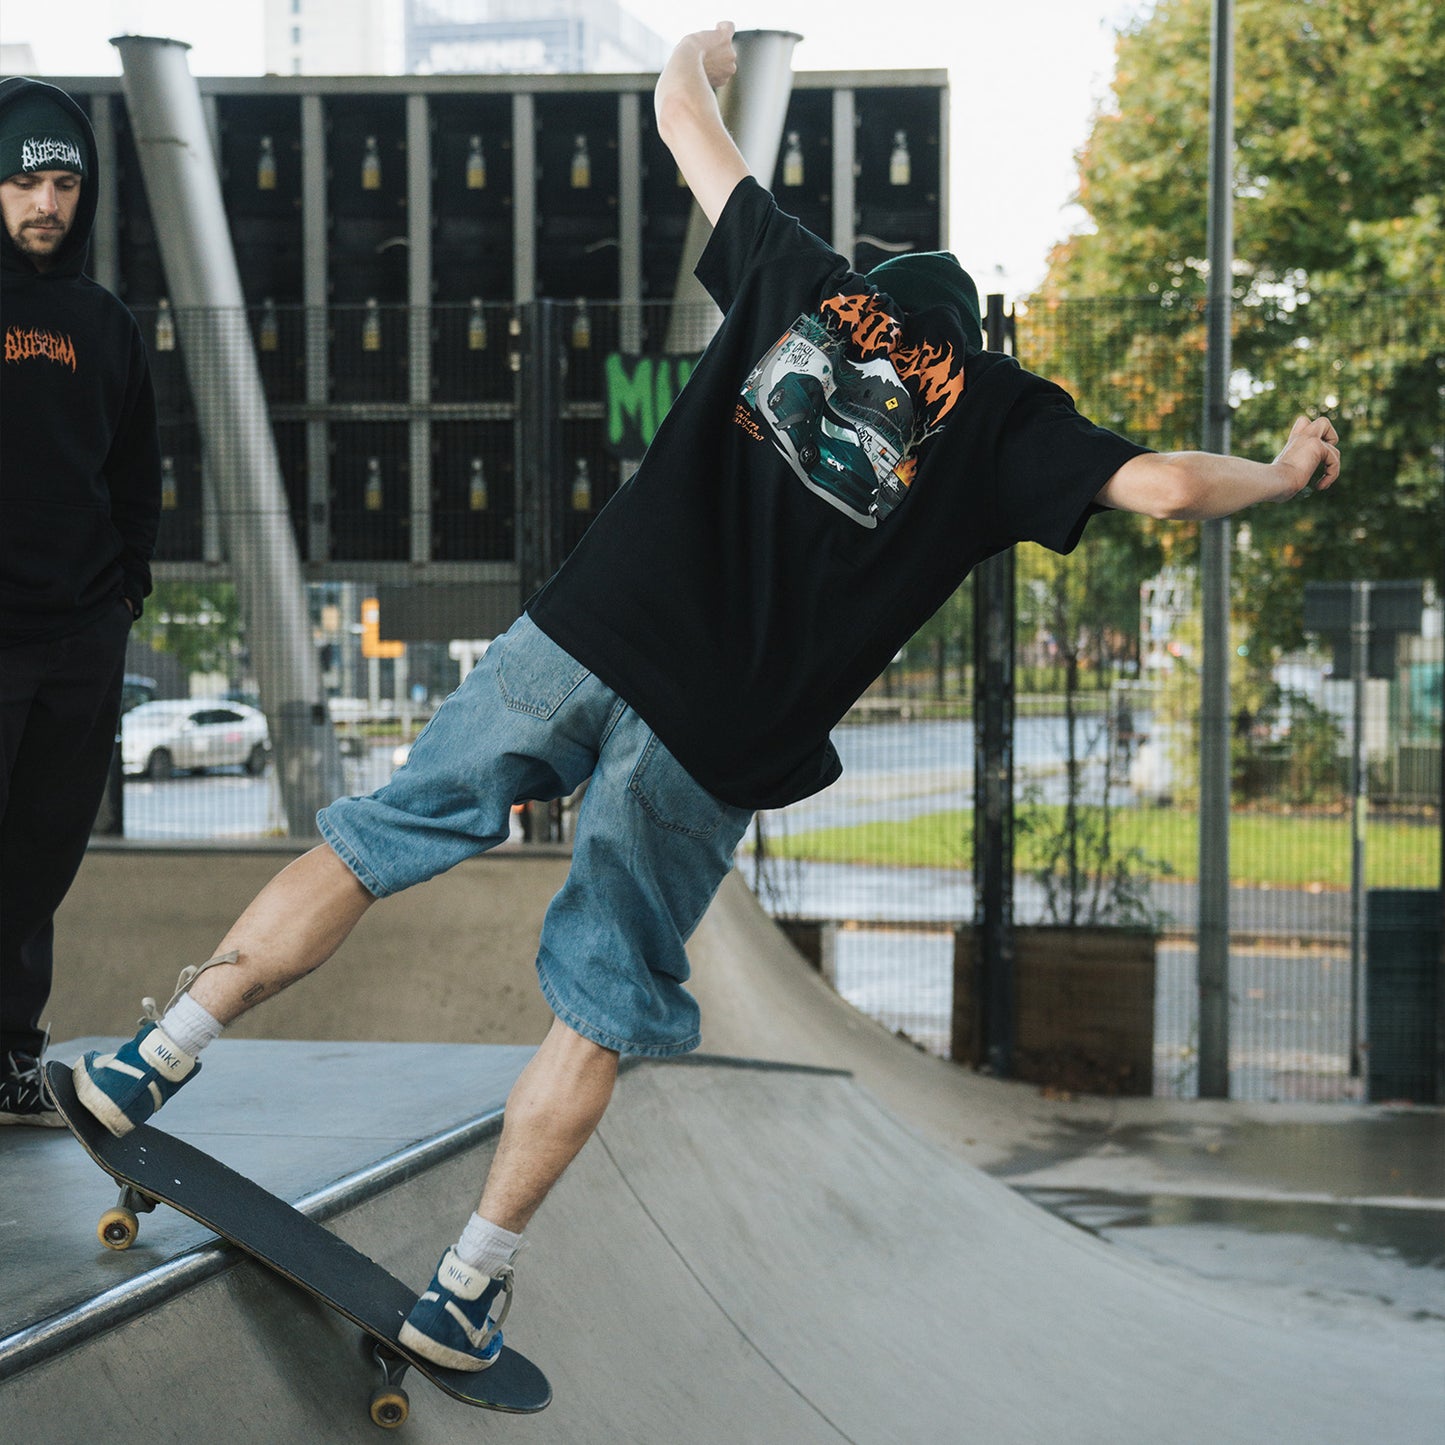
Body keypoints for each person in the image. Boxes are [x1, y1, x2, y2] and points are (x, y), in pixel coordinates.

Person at [68, 23, 1340, 1369]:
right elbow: (1165, 487)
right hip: (713, 735)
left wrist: (703, 52)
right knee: (599, 1003)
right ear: (959, 333)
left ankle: (158, 1051)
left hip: (583, 637)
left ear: (881, 297)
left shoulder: (798, 279)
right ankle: (465, 1285)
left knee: (378, 835)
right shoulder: (1003, 416)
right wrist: (1280, 468)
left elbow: (681, 123)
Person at [0, 79, 161, 1126]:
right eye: (24, 180)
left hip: (78, 633)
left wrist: (124, 594)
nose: (44, 203)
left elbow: (136, 469)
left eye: (62, 184)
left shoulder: (104, 322)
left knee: (41, 849)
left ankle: (12, 1048)